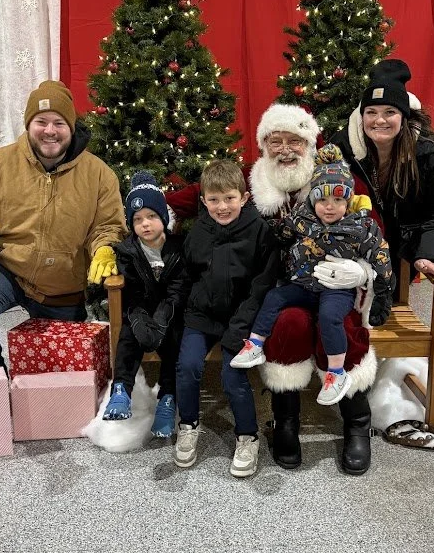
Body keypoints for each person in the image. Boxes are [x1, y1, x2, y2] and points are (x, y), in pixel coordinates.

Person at [167, 104, 380, 477]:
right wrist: (153, 210)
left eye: (294, 141)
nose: (285, 149)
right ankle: (285, 422)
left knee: (344, 328)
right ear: (264, 146)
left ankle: (356, 422)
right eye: (275, 141)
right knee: (289, 326)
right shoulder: (254, 181)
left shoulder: (336, 179)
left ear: (310, 143)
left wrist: (360, 271)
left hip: (336, 285)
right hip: (282, 289)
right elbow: (194, 196)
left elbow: (374, 235)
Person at [0, 80, 127, 370]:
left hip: (62, 284)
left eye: (59, 122)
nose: (49, 131)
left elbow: (108, 225)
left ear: (71, 127)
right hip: (8, 270)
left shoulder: (99, 174)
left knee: (56, 369)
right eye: (40, 121)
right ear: (28, 124)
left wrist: (105, 249)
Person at [231, 144, 394, 409]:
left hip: (336, 289)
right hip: (304, 285)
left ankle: (336, 373)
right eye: (323, 200)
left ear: (348, 200)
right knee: (275, 298)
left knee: (331, 318)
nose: (330, 207)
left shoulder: (360, 225)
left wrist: (376, 288)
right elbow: (279, 234)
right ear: (313, 199)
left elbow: (382, 258)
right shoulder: (303, 217)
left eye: (338, 200)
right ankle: (255, 344)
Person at [173, 159, 280, 478]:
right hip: (203, 314)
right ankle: (188, 424)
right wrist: (186, 312)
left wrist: (239, 330)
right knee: (188, 366)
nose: (222, 206)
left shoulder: (260, 231)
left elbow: (262, 287)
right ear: (203, 201)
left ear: (244, 197)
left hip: (241, 318)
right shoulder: (199, 230)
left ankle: (247, 436)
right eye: (214, 200)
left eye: (230, 198)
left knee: (232, 375)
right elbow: (190, 274)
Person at [329, 59, 434, 284]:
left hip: (405, 251)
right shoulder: (341, 147)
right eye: (371, 112)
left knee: (383, 299)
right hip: (354, 246)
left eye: (389, 111)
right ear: (362, 117)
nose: (379, 120)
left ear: (403, 116)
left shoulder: (430, 153)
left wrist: (428, 254)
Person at [102, 171, 189, 437]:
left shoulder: (178, 248)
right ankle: (121, 390)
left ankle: (167, 398)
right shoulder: (128, 251)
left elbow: (179, 289)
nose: (146, 224)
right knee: (129, 337)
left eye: (152, 216)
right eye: (138, 219)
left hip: (171, 312)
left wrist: (163, 317)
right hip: (140, 310)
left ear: (163, 217)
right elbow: (133, 291)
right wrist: (139, 317)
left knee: (175, 343)